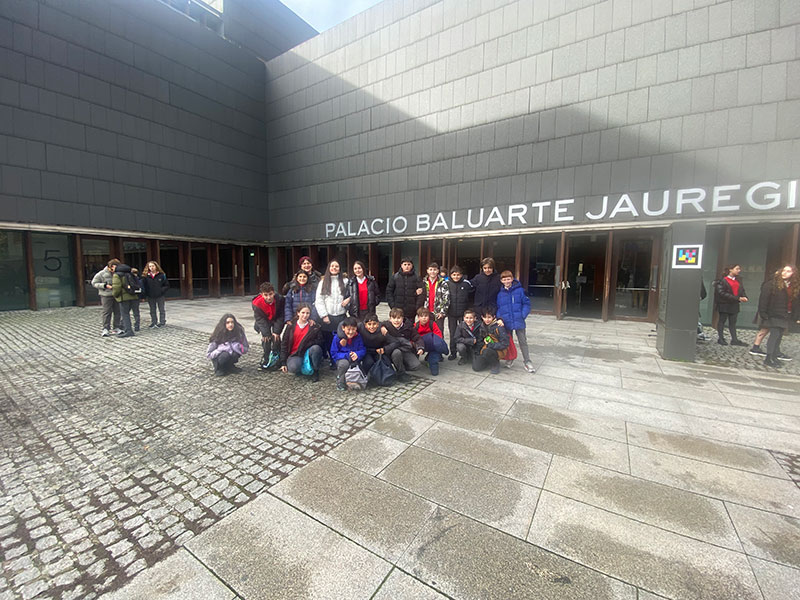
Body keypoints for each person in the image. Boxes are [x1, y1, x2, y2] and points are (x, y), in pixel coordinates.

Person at [757, 264, 800, 368]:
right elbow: (763, 299)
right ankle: (768, 358)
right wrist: (763, 313)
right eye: (784, 270)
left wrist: (796, 316)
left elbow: (795, 302)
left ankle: (774, 356)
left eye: (788, 271)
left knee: (779, 336)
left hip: (785, 314)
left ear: (794, 274)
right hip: (774, 314)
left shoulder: (792, 286)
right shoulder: (772, 284)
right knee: (774, 335)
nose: (784, 273)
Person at [496, 270, 535, 373]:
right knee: (509, 341)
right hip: (506, 321)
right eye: (504, 279)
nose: (506, 281)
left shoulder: (520, 290)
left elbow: (526, 304)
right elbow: (499, 308)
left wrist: (523, 315)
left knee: (523, 341)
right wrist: (499, 318)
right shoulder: (500, 294)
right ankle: (510, 358)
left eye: (508, 279)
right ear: (501, 281)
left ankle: (527, 361)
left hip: (518, 320)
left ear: (512, 279)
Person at [315, 260, 350, 364]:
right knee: (328, 339)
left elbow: (353, 293)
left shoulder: (345, 281)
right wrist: (324, 315)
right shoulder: (323, 282)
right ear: (329, 268)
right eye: (332, 266)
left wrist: (349, 299)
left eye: (337, 266)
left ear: (340, 269)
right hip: (328, 316)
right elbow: (319, 300)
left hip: (340, 315)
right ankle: (332, 359)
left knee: (340, 337)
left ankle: (339, 358)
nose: (334, 268)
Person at [279, 303, 323, 382]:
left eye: (307, 313)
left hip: (307, 351)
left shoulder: (314, 327)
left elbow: (320, 341)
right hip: (295, 353)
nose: (305, 315)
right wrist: (283, 362)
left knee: (316, 348)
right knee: (294, 368)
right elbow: (284, 344)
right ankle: (302, 366)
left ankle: (316, 370)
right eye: (303, 313)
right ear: (298, 313)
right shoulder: (291, 326)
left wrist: (307, 344)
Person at [382, 307, 424, 382]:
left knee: (416, 366)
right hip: (392, 351)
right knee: (397, 353)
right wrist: (381, 327)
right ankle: (401, 372)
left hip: (404, 350)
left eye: (399, 318)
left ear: (402, 318)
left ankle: (402, 364)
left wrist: (420, 347)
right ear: (390, 319)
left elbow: (417, 338)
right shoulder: (386, 326)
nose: (396, 320)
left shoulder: (408, 327)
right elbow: (376, 324)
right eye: (394, 318)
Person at [252, 282, 285, 370]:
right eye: (265, 295)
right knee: (266, 339)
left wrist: (276, 331)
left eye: (270, 294)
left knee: (276, 338)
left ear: (274, 293)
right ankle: (266, 357)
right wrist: (266, 333)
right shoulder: (256, 304)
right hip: (264, 319)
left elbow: (282, 315)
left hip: (276, 317)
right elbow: (259, 319)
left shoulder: (280, 300)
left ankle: (277, 356)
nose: (269, 297)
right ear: (262, 295)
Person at [713, 264, 748, 346]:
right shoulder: (722, 281)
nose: (739, 270)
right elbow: (722, 293)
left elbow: (741, 290)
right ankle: (721, 338)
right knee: (722, 321)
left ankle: (734, 339)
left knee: (733, 322)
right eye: (737, 269)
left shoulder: (738, 280)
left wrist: (744, 296)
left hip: (734, 304)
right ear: (730, 270)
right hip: (724, 304)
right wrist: (737, 298)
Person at [330, 316, 366, 390]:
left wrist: (358, 354)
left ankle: (357, 380)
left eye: (353, 329)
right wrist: (347, 355)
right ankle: (340, 381)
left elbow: (362, 349)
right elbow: (334, 353)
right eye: (348, 329)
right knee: (344, 364)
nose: (351, 332)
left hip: (355, 359)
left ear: (356, 328)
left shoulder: (358, 337)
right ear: (343, 328)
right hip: (342, 359)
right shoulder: (337, 338)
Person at [446, 265, 474, 359]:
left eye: (458, 275)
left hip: (463, 314)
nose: (456, 277)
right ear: (450, 275)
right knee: (453, 333)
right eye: (454, 275)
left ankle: (464, 353)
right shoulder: (447, 283)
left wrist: (469, 311)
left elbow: (471, 297)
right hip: (451, 313)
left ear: (461, 275)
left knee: (465, 333)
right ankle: (453, 352)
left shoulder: (466, 284)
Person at [472, 306, 510, 375]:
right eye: (485, 317)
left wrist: (489, 345)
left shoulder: (499, 327)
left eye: (489, 317)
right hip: (485, 349)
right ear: (482, 317)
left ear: (494, 317)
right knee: (476, 367)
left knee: (487, 351)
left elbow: (505, 344)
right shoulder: (482, 326)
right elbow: (479, 341)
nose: (487, 320)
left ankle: (495, 364)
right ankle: (488, 361)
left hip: (499, 350)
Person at [414, 307, 449, 376]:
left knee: (435, 372)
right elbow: (413, 338)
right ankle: (442, 351)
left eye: (426, 316)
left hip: (433, 345)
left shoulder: (432, 324)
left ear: (429, 317)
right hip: (421, 345)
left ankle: (434, 356)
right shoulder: (416, 326)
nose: (424, 318)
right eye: (422, 316)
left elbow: (438, 336)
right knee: (430, 336)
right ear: (418, 317)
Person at [91, 258, 121, 337]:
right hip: (106, 295)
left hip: (116, 294)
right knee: (107, 311)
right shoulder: (101, 274)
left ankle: (116, 327)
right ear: (109, 266)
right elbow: (94, 283)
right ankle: (106, 328)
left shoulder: (118, 273)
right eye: (113, 267)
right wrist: (104, 285)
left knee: (118, 311)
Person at [111, 263, 138, 338]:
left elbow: (117, 287)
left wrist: (115, 295)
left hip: (123, 297)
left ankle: (128, 330)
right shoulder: (130, 274)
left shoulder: (117, 275)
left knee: (125, 314)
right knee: (132, 313)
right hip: (133, 296)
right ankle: (132, 328)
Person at [423, 261, 450, 335]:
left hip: (438, 313)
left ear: (438, 271)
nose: (432, 271)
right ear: (427, 270)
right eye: (431, 269)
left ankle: (440, 346)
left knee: (439, 332)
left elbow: (446, 298)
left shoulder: (443, 283)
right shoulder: (423, 282)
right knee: (426, 332)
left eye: (435, 270)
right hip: (426, 312)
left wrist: (442, 312)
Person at [142, 260, 169, 328]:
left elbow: (166, 285)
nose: (151, 268)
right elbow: (144, 286)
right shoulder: (146, 276)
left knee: (161, 309)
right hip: (150, 295)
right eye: (150, 266)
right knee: (152, 310)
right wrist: (145, 295)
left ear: (156, 266)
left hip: (160, 295)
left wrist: (161, 290)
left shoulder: (161, 275)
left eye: (153, 266)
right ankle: (154, 322)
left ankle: (162, 322)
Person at [129, 267, 143, 332]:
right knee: (136, 312)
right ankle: (137, 325)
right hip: (135, 297)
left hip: (134, 297)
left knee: (133, 312)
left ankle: (136, 325)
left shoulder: (136, 280)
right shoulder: (138, 279)